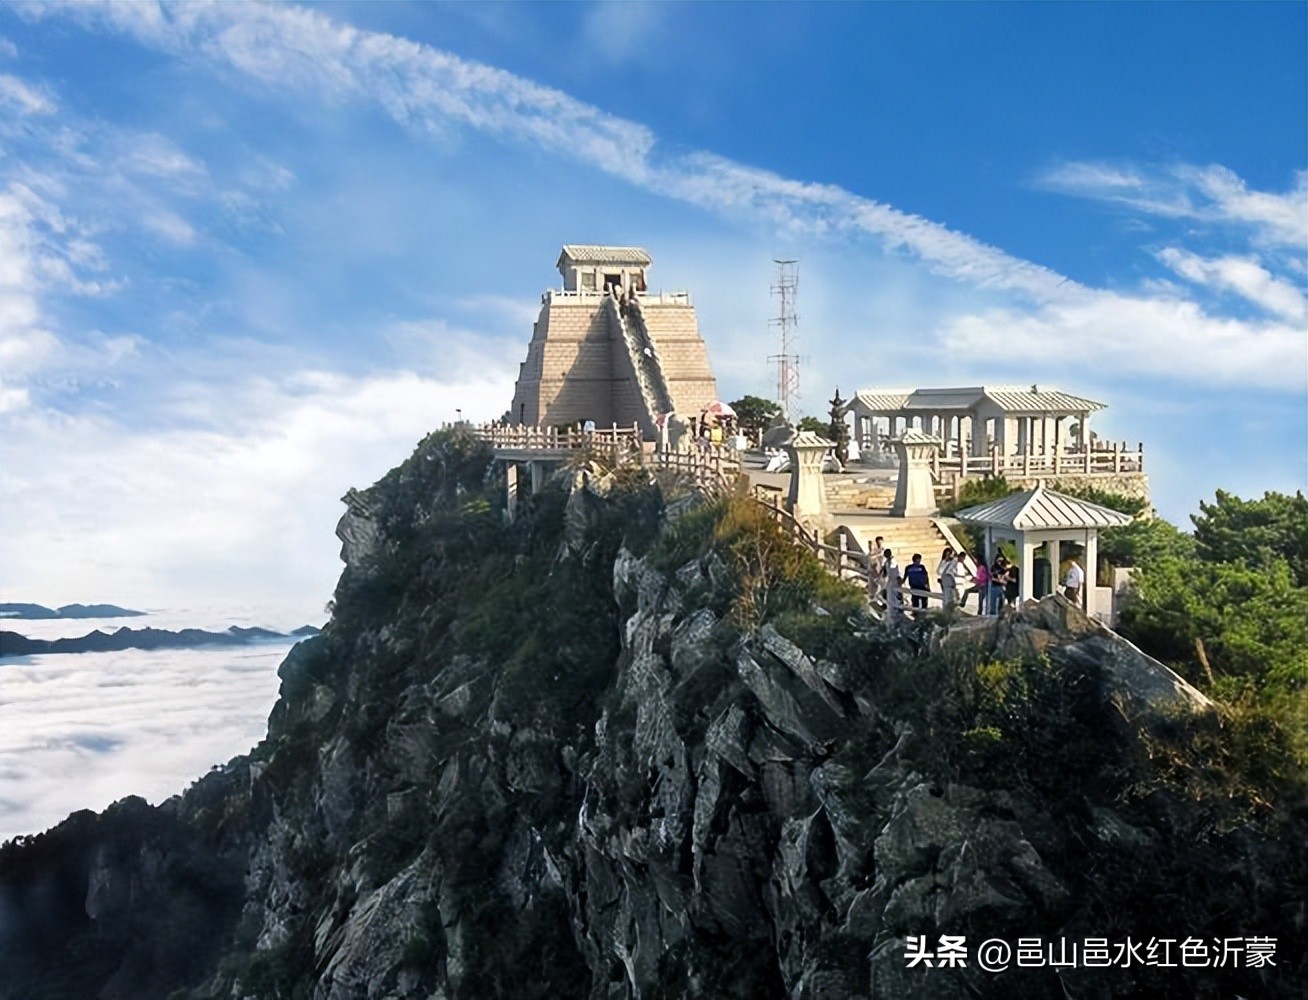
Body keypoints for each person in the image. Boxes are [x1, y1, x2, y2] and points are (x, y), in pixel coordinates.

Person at [883, 549, 902, 620]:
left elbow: (895, 570)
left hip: (895, 580)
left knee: (895, 596)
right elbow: (885, 571)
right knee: (890, 597)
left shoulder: (893, 561)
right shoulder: (886, 562)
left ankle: (897, 610)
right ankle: (891, 611)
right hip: (890, 580)